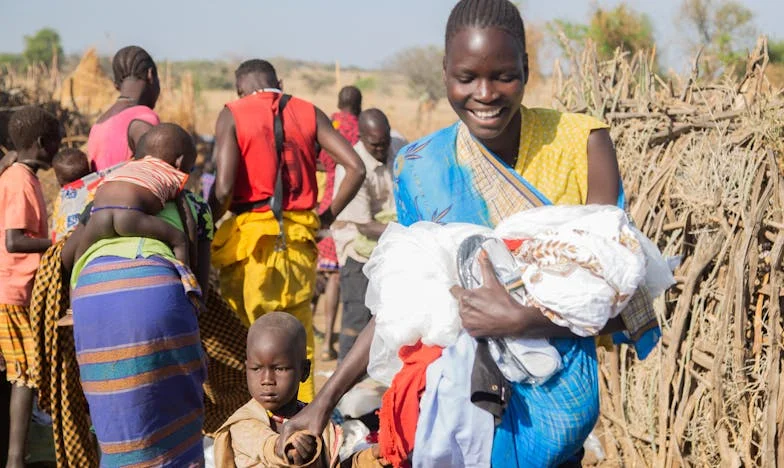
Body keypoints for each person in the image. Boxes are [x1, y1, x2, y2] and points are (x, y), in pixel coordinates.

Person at [279, 1, 660, 466]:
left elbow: (619, 297)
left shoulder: (582, 144)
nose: (486, 94)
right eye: (467, 78)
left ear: (526, 68)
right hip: (456, 416)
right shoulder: (421, 167)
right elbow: (404, 302)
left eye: (504, 75)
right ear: (444, 73)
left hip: (556, 416)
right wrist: (324, 401)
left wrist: (522, 320)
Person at [210, 59, 366, 402]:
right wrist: (325, 218)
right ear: (278, 82)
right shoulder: (308, 111)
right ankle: (304, 423)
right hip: (298, 241)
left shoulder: (232, 113)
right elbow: (355, 167)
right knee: (297, 340)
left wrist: (206, 222)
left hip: (251, 244)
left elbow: (222, 189)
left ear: (240, 89)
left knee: (246, 341)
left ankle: (252, 427)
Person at [62, 123, 211, 467]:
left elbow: (67, 255)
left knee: (117, 409)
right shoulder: (190, 200)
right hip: (156, 284)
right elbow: (198, 273)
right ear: (179, 161)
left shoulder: (98, 193)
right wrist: (192, 293)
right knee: (175, 404)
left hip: (90, 291)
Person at [214, 312, 388, 467]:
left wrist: (370, 458)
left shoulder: (317, 422)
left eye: (279, 369)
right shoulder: (244, 423)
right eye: (256, 369)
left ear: (304, 371)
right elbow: (265, 445)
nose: (266, 380)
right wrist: (282, 447)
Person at [0, 106, 60, 468]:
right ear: (41, 144)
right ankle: (15, 458)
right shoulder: (20, 180)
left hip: (15, 288)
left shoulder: (20, 175)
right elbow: (14, 240)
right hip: (15, 290)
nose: (58, 149)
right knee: (24, 373)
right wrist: (56, 242)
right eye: (55, 142)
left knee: (22, 370)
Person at [331, 109, 406, 360]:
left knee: (393, 314)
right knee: (357, 316)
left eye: (384, 142)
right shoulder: (352, 167)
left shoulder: (398, 147)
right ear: (362, 138)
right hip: (359, 249)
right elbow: (364, 225)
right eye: (375, 145)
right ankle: (345, 380)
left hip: (391, 247)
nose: (382, 149)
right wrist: (406, 230)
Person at [74, 123, 195, 266]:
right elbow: (187, 218)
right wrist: (193, 253)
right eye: (191, 167)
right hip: (131, 217)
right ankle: (187, 280)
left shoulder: (125, 167)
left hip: (99, 218)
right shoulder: (172, 173)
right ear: (179, 162)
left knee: (80, 255)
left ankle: (73, 285)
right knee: (179, 240)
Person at [316, 85, 362, 361]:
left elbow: (318, 160)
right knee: (344, 274)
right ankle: (338, 341)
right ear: (358, 105)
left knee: (328, 273)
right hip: (350, 204)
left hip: (327, 203)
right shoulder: (361, 128)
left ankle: (323, 339)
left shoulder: (328, 124)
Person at [86, 45, 160, 171]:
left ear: (116, 85)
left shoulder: (98, 124)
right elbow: (156, 177)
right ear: (150, 74)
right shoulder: (143, 118)